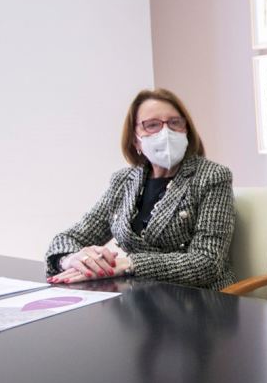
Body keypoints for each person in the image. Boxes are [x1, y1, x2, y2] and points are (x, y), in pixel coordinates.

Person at [46, 88, 236, 290]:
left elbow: (207, 262)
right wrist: (72, 259)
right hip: (139, 296)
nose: (166, 132)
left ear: (187, 130)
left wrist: (130, 264)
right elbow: (69, 238)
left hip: (198, 298)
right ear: (135, 139)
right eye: (152, 125)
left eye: (175, 123)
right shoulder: (123, 181)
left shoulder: (213, 176)